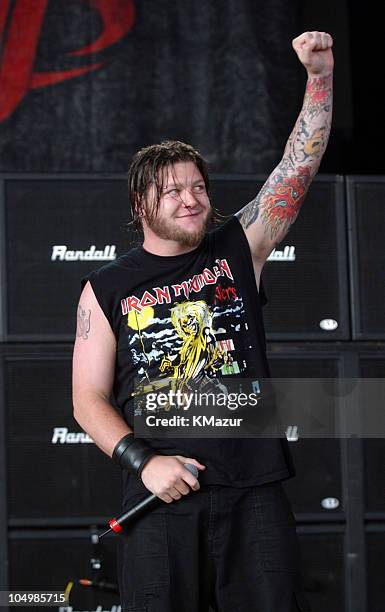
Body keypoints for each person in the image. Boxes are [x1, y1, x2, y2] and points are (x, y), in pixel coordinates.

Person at [73, 30, 333, 612]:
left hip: (255, 494)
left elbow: (298, 167)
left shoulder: (237, 249)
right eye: (172, 192)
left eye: (197, 187)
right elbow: (86, 400)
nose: (190, 200)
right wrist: (146, 463)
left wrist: (319, 76)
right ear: (142, 206)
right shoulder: (108, 286)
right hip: (161, 499)